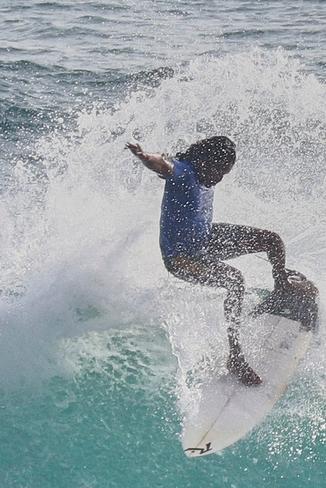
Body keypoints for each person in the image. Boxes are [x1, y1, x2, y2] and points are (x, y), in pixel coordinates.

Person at [126, 134, 311, 386]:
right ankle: (235, 357)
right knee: (235, 280)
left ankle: (281, 289)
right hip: (180, 257)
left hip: (206, 239)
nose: (219, 178)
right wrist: (143, 156)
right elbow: (163, 165)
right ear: (203, 161)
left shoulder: (205, 174)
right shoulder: (184, 173)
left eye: (225, 173)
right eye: (218, 171)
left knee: (272, 241)